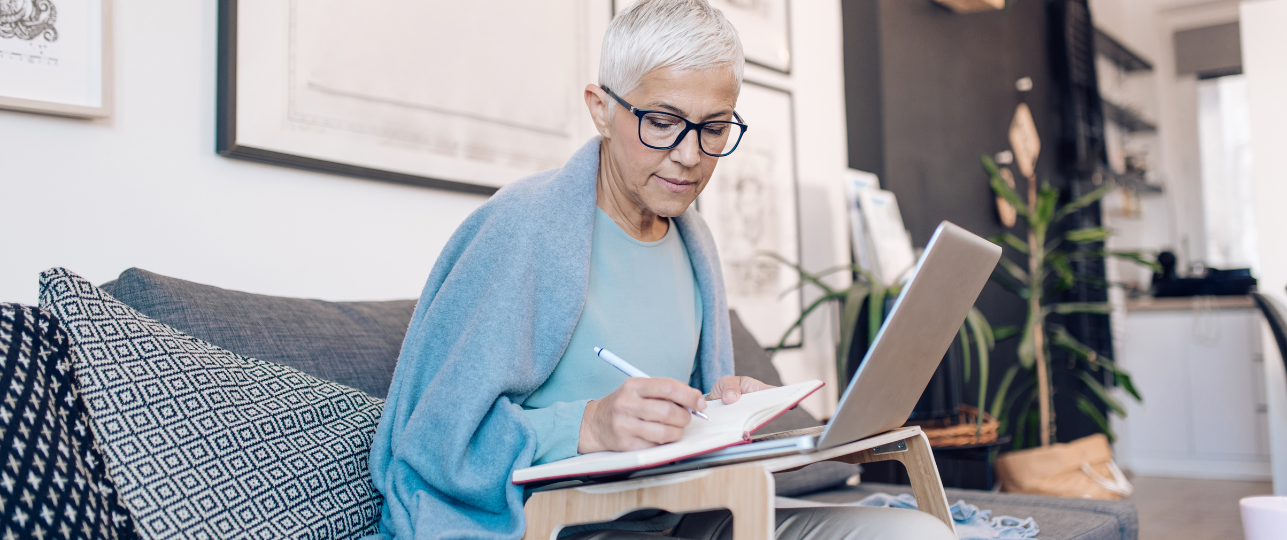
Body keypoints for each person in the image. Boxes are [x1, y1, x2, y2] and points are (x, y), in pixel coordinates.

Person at [367, 1, 955, 539]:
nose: (690, 155)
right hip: (556, 526)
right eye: (662, 121)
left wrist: (719, 407)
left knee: (919, 534)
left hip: (684, 518)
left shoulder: (694, 243)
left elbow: (678, 428)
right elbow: (434, 439)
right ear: (601, 110)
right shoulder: (524, 229)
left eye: (715, 127)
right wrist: (589, 426)